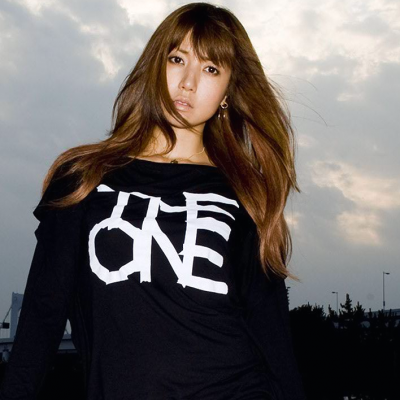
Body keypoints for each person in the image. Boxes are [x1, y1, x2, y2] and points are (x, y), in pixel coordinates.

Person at [0, 2, 307, 399]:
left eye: (211, 69)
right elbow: (41, 319)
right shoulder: (83, 178)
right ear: (155, 65)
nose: (188, 82)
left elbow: (273, 338)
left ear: (228, 93)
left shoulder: (245, 193)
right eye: (177, 59)